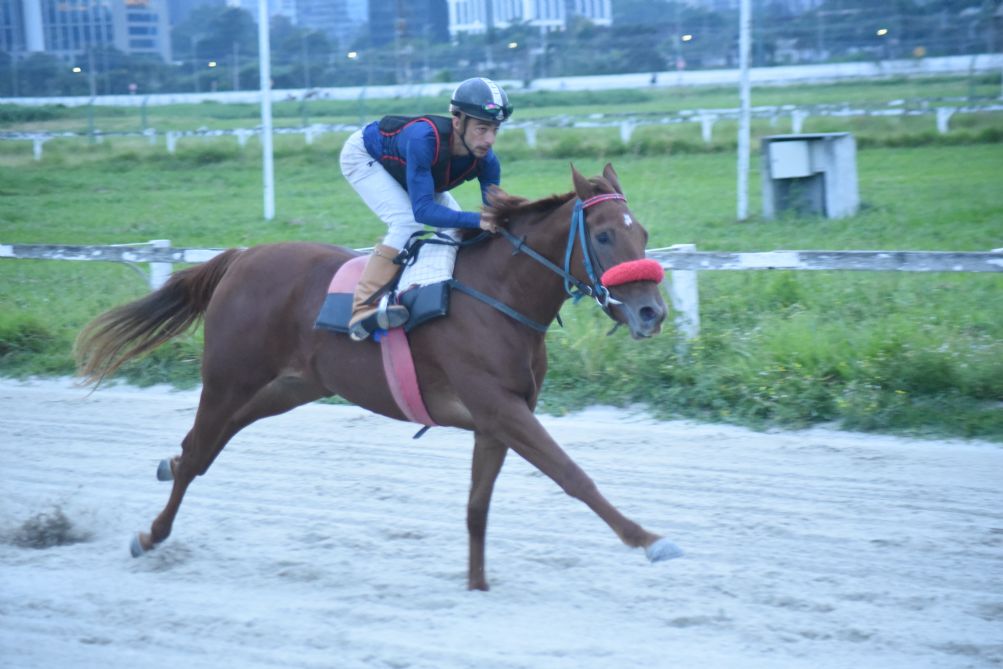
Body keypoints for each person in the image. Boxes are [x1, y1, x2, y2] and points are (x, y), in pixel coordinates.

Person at [339, 77, 512, 341]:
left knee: (456, 232)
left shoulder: (488, 162)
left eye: (495, 130)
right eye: (482, 128)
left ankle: (427, 289)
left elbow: (494, 216)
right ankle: (363, 307)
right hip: (365, 156)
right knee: (407, 222)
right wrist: (478, 220)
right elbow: (423, 211)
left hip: (411, 169)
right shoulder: (423, 139)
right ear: (457, 121)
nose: (489, 139)